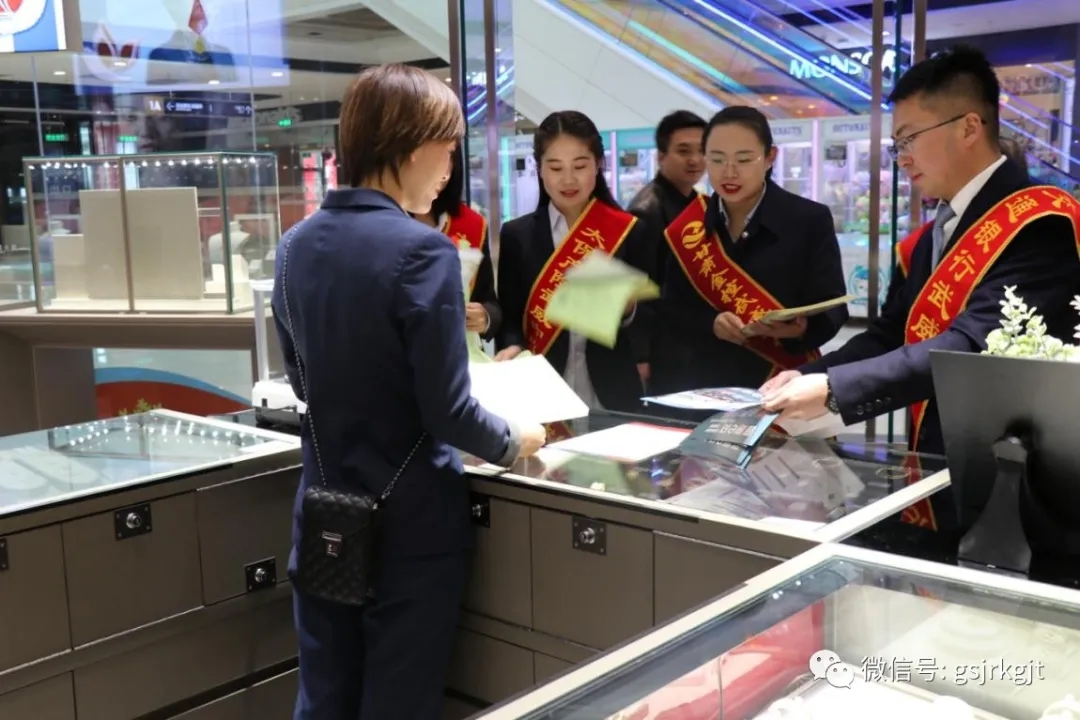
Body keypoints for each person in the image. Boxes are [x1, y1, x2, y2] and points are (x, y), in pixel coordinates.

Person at [273, 64, 546, 720]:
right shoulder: (424, 252)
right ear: (411, 145)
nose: (449, 169)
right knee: (398, 702)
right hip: (409, 526)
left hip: (325, 510)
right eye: (447, 149)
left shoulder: (294, 246)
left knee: (324, 698)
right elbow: (447, 411)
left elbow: (302, 383)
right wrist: (517, 439)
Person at [761, 45, 1080, 461]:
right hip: (940, 453)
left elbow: (973, 345)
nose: (902, 159)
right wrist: (807, 375)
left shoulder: (1041, 220)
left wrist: (835, 390)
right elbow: (892, 332)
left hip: (1014, 463)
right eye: (897, 145)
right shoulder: (937, 230)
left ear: (968, 128)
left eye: (909, 138)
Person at [652, 106, 848, 394]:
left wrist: (801, 329)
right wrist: (711, 323)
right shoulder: (688, 227)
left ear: (770, 157)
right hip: (704, 384)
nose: (729, 172)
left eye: (743, 159)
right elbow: (671, 307)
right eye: (717, 159)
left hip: (780, 381)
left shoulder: (808, 220)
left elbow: (833, 306)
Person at [495, 110, 652, 411]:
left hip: (612, 392)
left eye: (580, 166)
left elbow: (655, 319)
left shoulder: (628, 230)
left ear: (599, 164)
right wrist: (513, 347)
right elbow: (511, 318)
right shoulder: (517, 235)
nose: (568, 179)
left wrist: (629, 309)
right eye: (555, 167)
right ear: (540, 169)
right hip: (541, 393)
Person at [627, 109, 707, 389]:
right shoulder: (646, 210)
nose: (695, 160)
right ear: (661, 156)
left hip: (692, 340)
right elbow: (638, 288)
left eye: (701, 150)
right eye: (683, 151)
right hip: (665, 349)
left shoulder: (696, 202)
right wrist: (641, 355)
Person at [412, 147, 501, 344]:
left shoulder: (472, 224)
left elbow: (489, 300)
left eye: (448, 157)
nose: (442, 172)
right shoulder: (385, 222)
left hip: (461, 351)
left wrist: (485, 316)